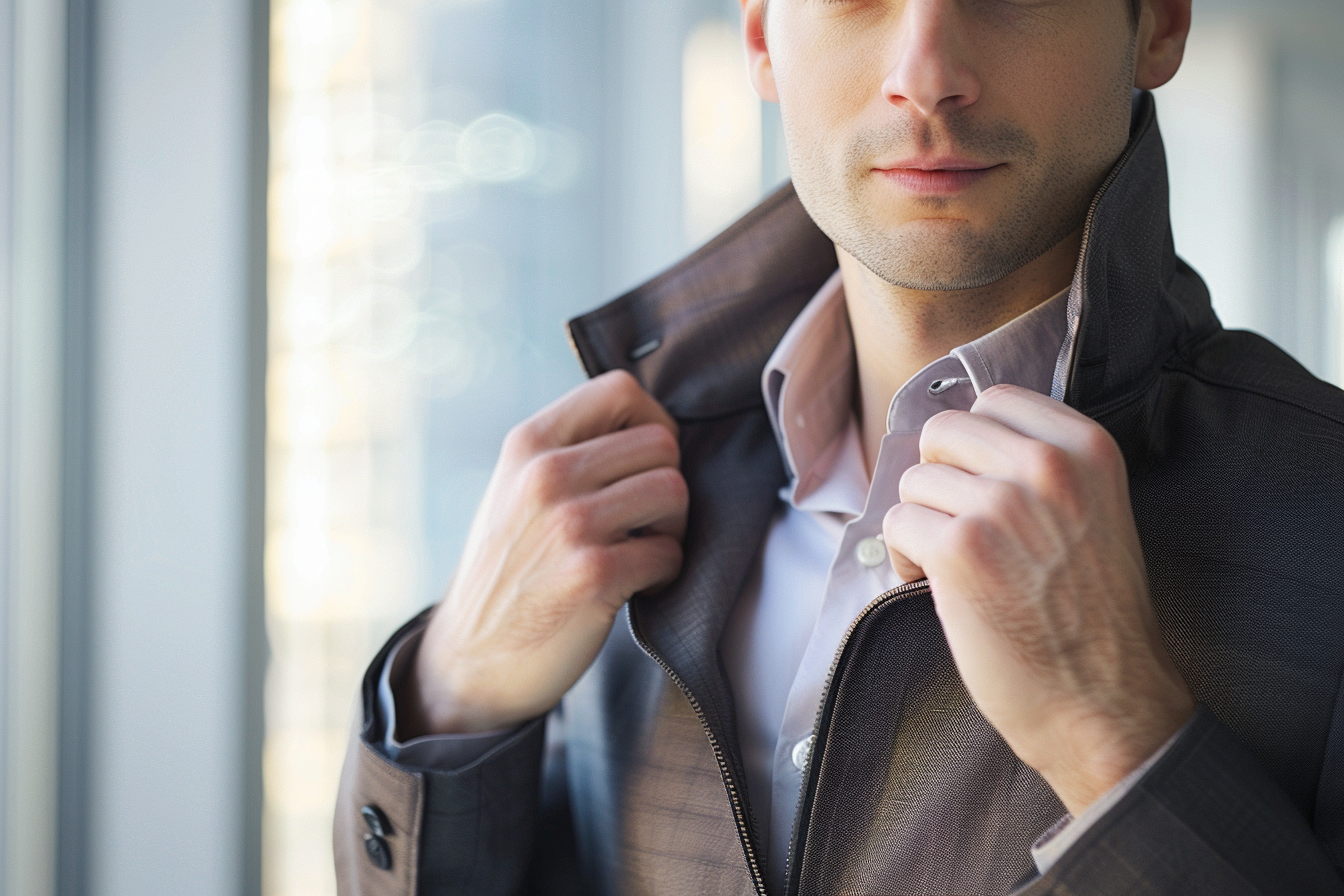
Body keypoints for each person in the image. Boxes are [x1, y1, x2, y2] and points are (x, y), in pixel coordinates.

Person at [334, 0, 1344, 892]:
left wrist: (1114, 732)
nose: (927, 74)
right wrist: (455, 699)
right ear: (764, 34)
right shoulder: (608, 500)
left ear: (1158, 23)